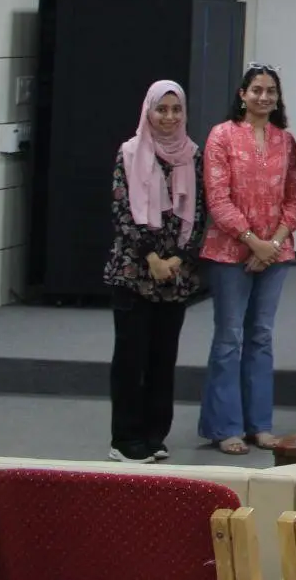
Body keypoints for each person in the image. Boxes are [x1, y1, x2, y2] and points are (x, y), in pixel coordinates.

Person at [198, 65, 296, 455]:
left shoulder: (285, 141)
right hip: (230, 252)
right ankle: (225, 427)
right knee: (229, 338)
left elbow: (295, 200)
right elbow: (217, 198)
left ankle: (259, 424)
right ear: (242, 94)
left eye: (270, 91)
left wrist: (271, 244)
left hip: (275, 253)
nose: (264, 97)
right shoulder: (222, 135)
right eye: (256, 89)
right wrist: (252, 242)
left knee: (260, 337)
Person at [105, 80, 205, 463]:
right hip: (134, 271)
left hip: (175, 275)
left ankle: (154, 434)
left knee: (163, 360)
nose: (169, 116)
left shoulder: (192, 155)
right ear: (148, 111)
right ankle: (124, 439)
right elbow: (121, 212)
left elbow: (199, 213)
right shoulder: (129, 152)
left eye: (176, 109)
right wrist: (151, 257)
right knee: (131, 359)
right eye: (161, 109)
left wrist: (177, 259)